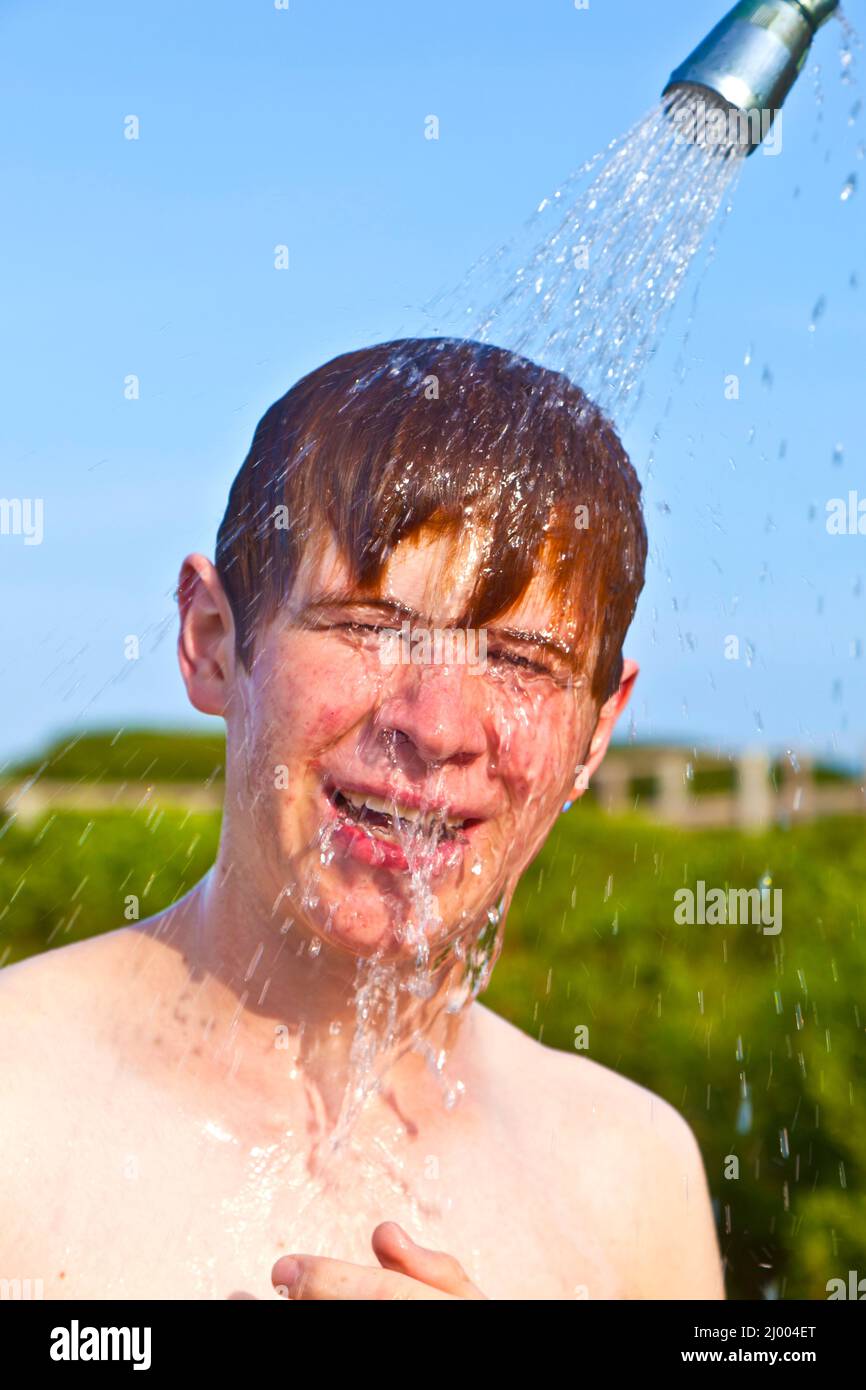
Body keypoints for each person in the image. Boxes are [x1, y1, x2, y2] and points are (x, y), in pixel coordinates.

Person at [0, 338, 724, 1300]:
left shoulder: (629, 1175)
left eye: (521, 660)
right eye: (371, 628)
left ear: (597, 731)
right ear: (213, 641)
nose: (436, 728)